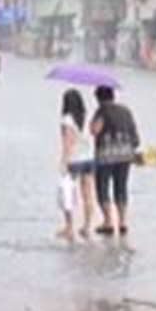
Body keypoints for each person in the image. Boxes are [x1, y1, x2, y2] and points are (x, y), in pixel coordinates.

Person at [90, 86, 140, 237]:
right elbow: (134, 135)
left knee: (103, 186)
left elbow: (95, 131)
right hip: (125, 154)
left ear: (99, 98)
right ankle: (123, 221)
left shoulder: (102, 111)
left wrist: (93, 122)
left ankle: (108, 221)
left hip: (106, 155)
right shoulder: (126, 111)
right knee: (121, 186)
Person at [58, 89, 95, 241]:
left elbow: (68, 142)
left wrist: (63, 162)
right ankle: (86, 226)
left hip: (74, 160)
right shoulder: (87, 118)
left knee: (67, 193)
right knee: (88, 195)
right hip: (89, 159)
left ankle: (69, 227)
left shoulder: (67, 120)